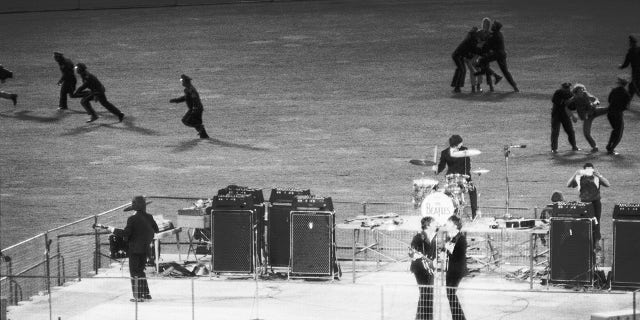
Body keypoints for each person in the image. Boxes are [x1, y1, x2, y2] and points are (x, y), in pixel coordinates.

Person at [105, 196, 159, 302]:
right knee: (141, 271)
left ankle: (137, 296)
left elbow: (126, 233)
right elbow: (156, 229)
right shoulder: (149, 217)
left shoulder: (132, 219)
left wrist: (112, 229)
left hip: (134, 249)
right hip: (145, 249)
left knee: (134, 272)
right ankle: (145, 293)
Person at [433, 135, 479, 220]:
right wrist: (436, 170)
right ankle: (471, 212)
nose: (462, 143)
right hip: (454, 177)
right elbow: (441, 166)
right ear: (456, 144)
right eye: (460, 142)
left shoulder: (462, 150)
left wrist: (466, 175)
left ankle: (473, 214)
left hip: (462, 176)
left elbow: (467, 165)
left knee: (472, 189)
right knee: (471, 190)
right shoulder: (446, 152)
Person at [567, 163, 610, 248]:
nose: (589, 171)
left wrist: (599, 175)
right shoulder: (580, 178)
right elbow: (568, 185)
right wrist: (575, 174)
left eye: (591, 169)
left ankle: (596, 242)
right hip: (585, 203)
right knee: (585, 221)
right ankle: (586, 241)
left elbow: (607, 184)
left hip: (595, 202)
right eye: (587, 170)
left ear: (593, 169)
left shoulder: (596, 177)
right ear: (584, 170)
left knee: (596, 221)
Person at [475, 21, 518, 92]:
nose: (492, 26)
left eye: (493, 25)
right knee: (505, 71)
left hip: (497, 54)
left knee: (482, 61)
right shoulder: (499, 34)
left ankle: (494, 76)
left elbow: (487, 47)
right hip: (502, 54)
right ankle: (514, 86)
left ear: (495, 28)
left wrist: (478, 49)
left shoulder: (494, 36)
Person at [409, 216, 438, 320]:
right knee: (425, 293)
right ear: (428, 225)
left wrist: (436, 260)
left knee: (428, 294)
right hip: (420, 269)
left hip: (430, 269)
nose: (437, 224)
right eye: (435, 223)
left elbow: (437, 252)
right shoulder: (419, 237)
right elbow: (411, 252)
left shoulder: (436, 236)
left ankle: (424, 318)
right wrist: (415, 255)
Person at [566, 84, 606, 152]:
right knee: (586, 133)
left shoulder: (585, 94)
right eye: (580, 91)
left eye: (582, 90)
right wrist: (573, 116)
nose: (582, 91)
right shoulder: (574, 99)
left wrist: (595, 103)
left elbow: (596, 99)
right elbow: (566, 107)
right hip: (587, 117)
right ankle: (594, 147)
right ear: (576, 92)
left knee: (610, 109)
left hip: (594, 111)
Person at [169, 74, 210, 139]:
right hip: (194, 109)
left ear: (186, 81)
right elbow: (185, 98)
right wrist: (176, 100)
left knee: (187, 121)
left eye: (182, 80)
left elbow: (195, 98)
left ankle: (202, 131)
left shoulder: (191, 89)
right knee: (191, 121)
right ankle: (203, 135)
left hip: (196, 108)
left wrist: (195, 108)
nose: (181, 82)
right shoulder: (187, 89)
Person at [443, 215, 467, 320]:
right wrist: (443, 251)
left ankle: (459, 318)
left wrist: (449, 249)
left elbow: (459, 256)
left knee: (451, 294)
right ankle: (458, 317)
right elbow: (445, 251)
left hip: (457, 270)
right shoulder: (450, 237)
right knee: (450, 294)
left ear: (454, 225)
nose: (446, 225)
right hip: (450, 270)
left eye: (448, 224)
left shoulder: (461, 239)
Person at [605, 77, 632, 155]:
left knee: (615, 130)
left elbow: (609, 100)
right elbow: (626, 107)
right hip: (618, 114)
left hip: (610, 113)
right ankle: (611, 149)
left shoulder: (614, 91)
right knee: (619, 132)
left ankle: (609, 145)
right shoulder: (626, 94)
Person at [550, 82, 580, 153]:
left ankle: (574, 146)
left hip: (565, 115)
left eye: (568, 88)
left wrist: (572, 104)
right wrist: (567, 101)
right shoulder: (558, 93)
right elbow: (555, 101)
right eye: (565, 88)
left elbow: (573, 107)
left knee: (570, 131)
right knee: (555, 132)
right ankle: (554, 149)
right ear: (562, 87)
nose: (567, 89)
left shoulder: (571, 94)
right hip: (556, 115)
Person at [451, 27, 480, 93]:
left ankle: (456, 86)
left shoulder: (470, 39)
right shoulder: (472, 41)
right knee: (462, 70)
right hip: (458, 56)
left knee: (460, 69)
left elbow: (469, 52)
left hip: (458, 56)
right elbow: (472, 51)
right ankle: (457, 88)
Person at [619, 35, 640, 100]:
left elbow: (626, 64)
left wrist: (621, 67)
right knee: (632, 88)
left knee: (634, 88)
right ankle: (626, 104)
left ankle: (626, 104)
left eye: (630, 42)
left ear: (631, 43)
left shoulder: (630, 52)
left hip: (636, 74)